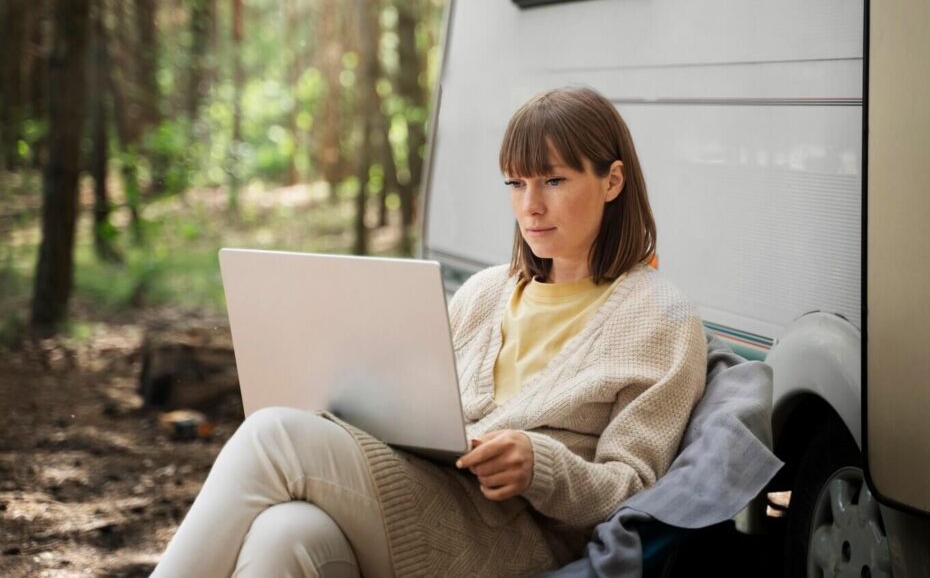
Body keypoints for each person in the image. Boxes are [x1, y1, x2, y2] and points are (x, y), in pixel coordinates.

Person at [152, 86, 707, 577]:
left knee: (275, 437)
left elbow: (637, 492)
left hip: (511, 541)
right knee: (287, 536)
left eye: (554, 180)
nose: (530, 206)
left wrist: (541, 465)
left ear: (612, 180)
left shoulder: (660, 319)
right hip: (424, 501)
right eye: (516, 183)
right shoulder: (485, 292)